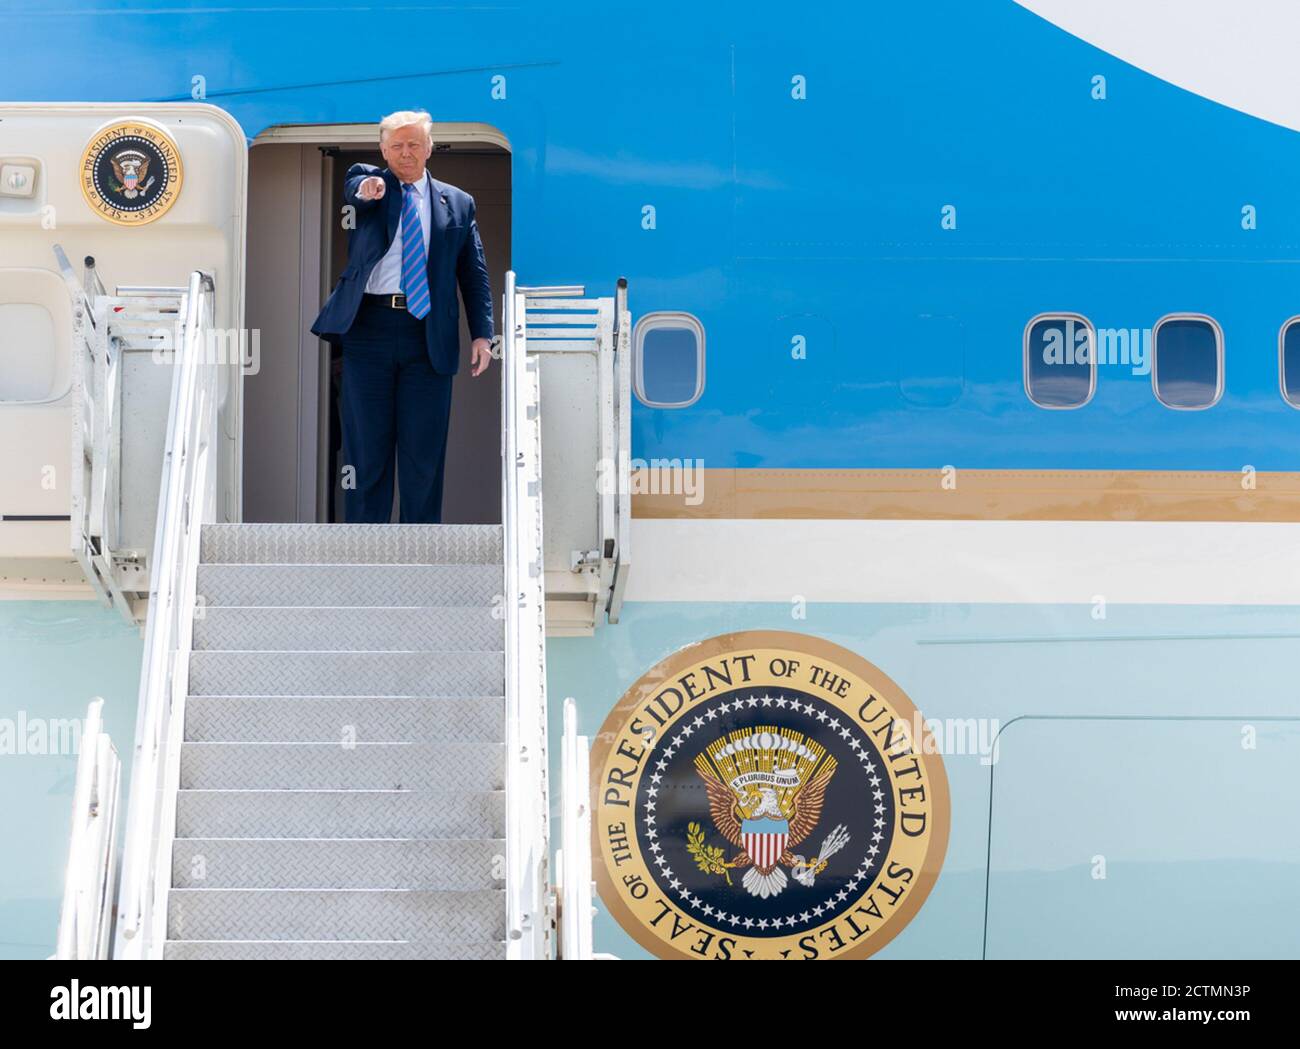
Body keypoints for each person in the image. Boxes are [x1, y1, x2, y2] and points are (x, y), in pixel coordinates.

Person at [311, 110, 494, 523]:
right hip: (369, 331)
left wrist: (483, 335)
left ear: (430, 147)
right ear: (383, 149)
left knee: (423, 454)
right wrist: (370, 187)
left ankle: (421, 551)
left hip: (427, 333)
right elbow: (356, 188)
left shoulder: (458, 203)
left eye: (414, 144)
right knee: (366, 451)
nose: (405, 153)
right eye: (396, 146)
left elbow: (474, 273)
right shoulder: (370, 182)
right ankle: (366, 552)